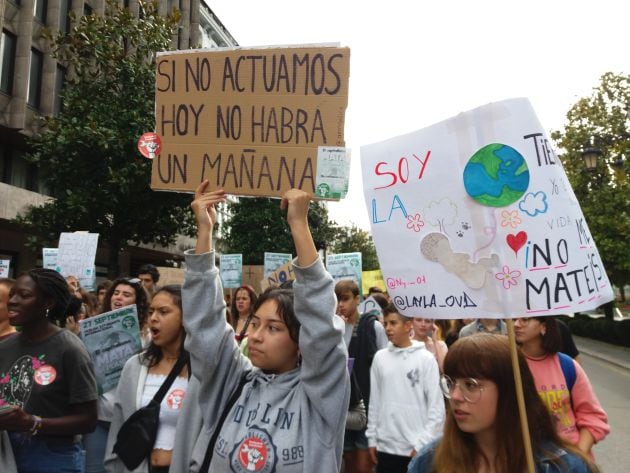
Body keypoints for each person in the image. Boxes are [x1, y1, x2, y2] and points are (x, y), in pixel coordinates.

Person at [182, 182, 349, 472]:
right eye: (256, 324)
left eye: (273, 328)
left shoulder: (320, 398)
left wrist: (299, 224)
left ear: (301, 340)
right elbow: (204, 325)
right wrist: (204, 232)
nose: (256, 336)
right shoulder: (233, 381)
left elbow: (322, 327)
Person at [408, 334, 599, 473]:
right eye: (451, 383)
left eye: (470, 385)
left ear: (510, 390)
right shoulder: (428, 462)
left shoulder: (565, 467)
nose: (455, 396)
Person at [0, 268, 98, 473]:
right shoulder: (5, 347)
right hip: (6, 454)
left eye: (24, 295)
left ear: (48, 303)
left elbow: (88, 420)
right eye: (12, 295)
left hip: (52, 457)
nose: (13, 301)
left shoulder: (70, 349)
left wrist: (34, 423)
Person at [104, 285, 203, 473]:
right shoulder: (135, 366)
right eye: (151, 312)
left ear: (186, 318)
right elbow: (119, 424)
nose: (154, 318)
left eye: (163, 312)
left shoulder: (202, 371)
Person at [514, 316, 609, 455]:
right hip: (525, 458)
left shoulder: (568, 365)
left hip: (570, 459)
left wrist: (579, 457)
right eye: (514, 319)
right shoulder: (507, 365)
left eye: (525, 319)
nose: (516, 324)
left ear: (544, 327)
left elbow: (592, 416)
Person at [366, 305, 444, 472]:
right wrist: (372, 438)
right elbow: (375, 402)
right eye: (385, 323)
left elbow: (437, 407)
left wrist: (423, 444)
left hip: (416, 448)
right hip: (386, 448)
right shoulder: (380, 358)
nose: (387, 328)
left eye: (393, 323)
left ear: (408, 325)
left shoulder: (426, 359)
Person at [85, 277, 150, 473]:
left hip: (129, 418)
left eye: (126, 294)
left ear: (137, 303)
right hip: (99, 416)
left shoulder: (147, 335)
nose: (119, 298)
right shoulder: (91, 330)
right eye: (116, 293)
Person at [336, 279, 388, 473]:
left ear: (357, 299)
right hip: (342, 406)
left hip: (367, 403)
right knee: (347, 462)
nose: (341, 305)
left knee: (363, 465)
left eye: (346, 299)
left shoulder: (372, 327)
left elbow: (385, 365)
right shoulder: (333, 329)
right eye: (337, 300)